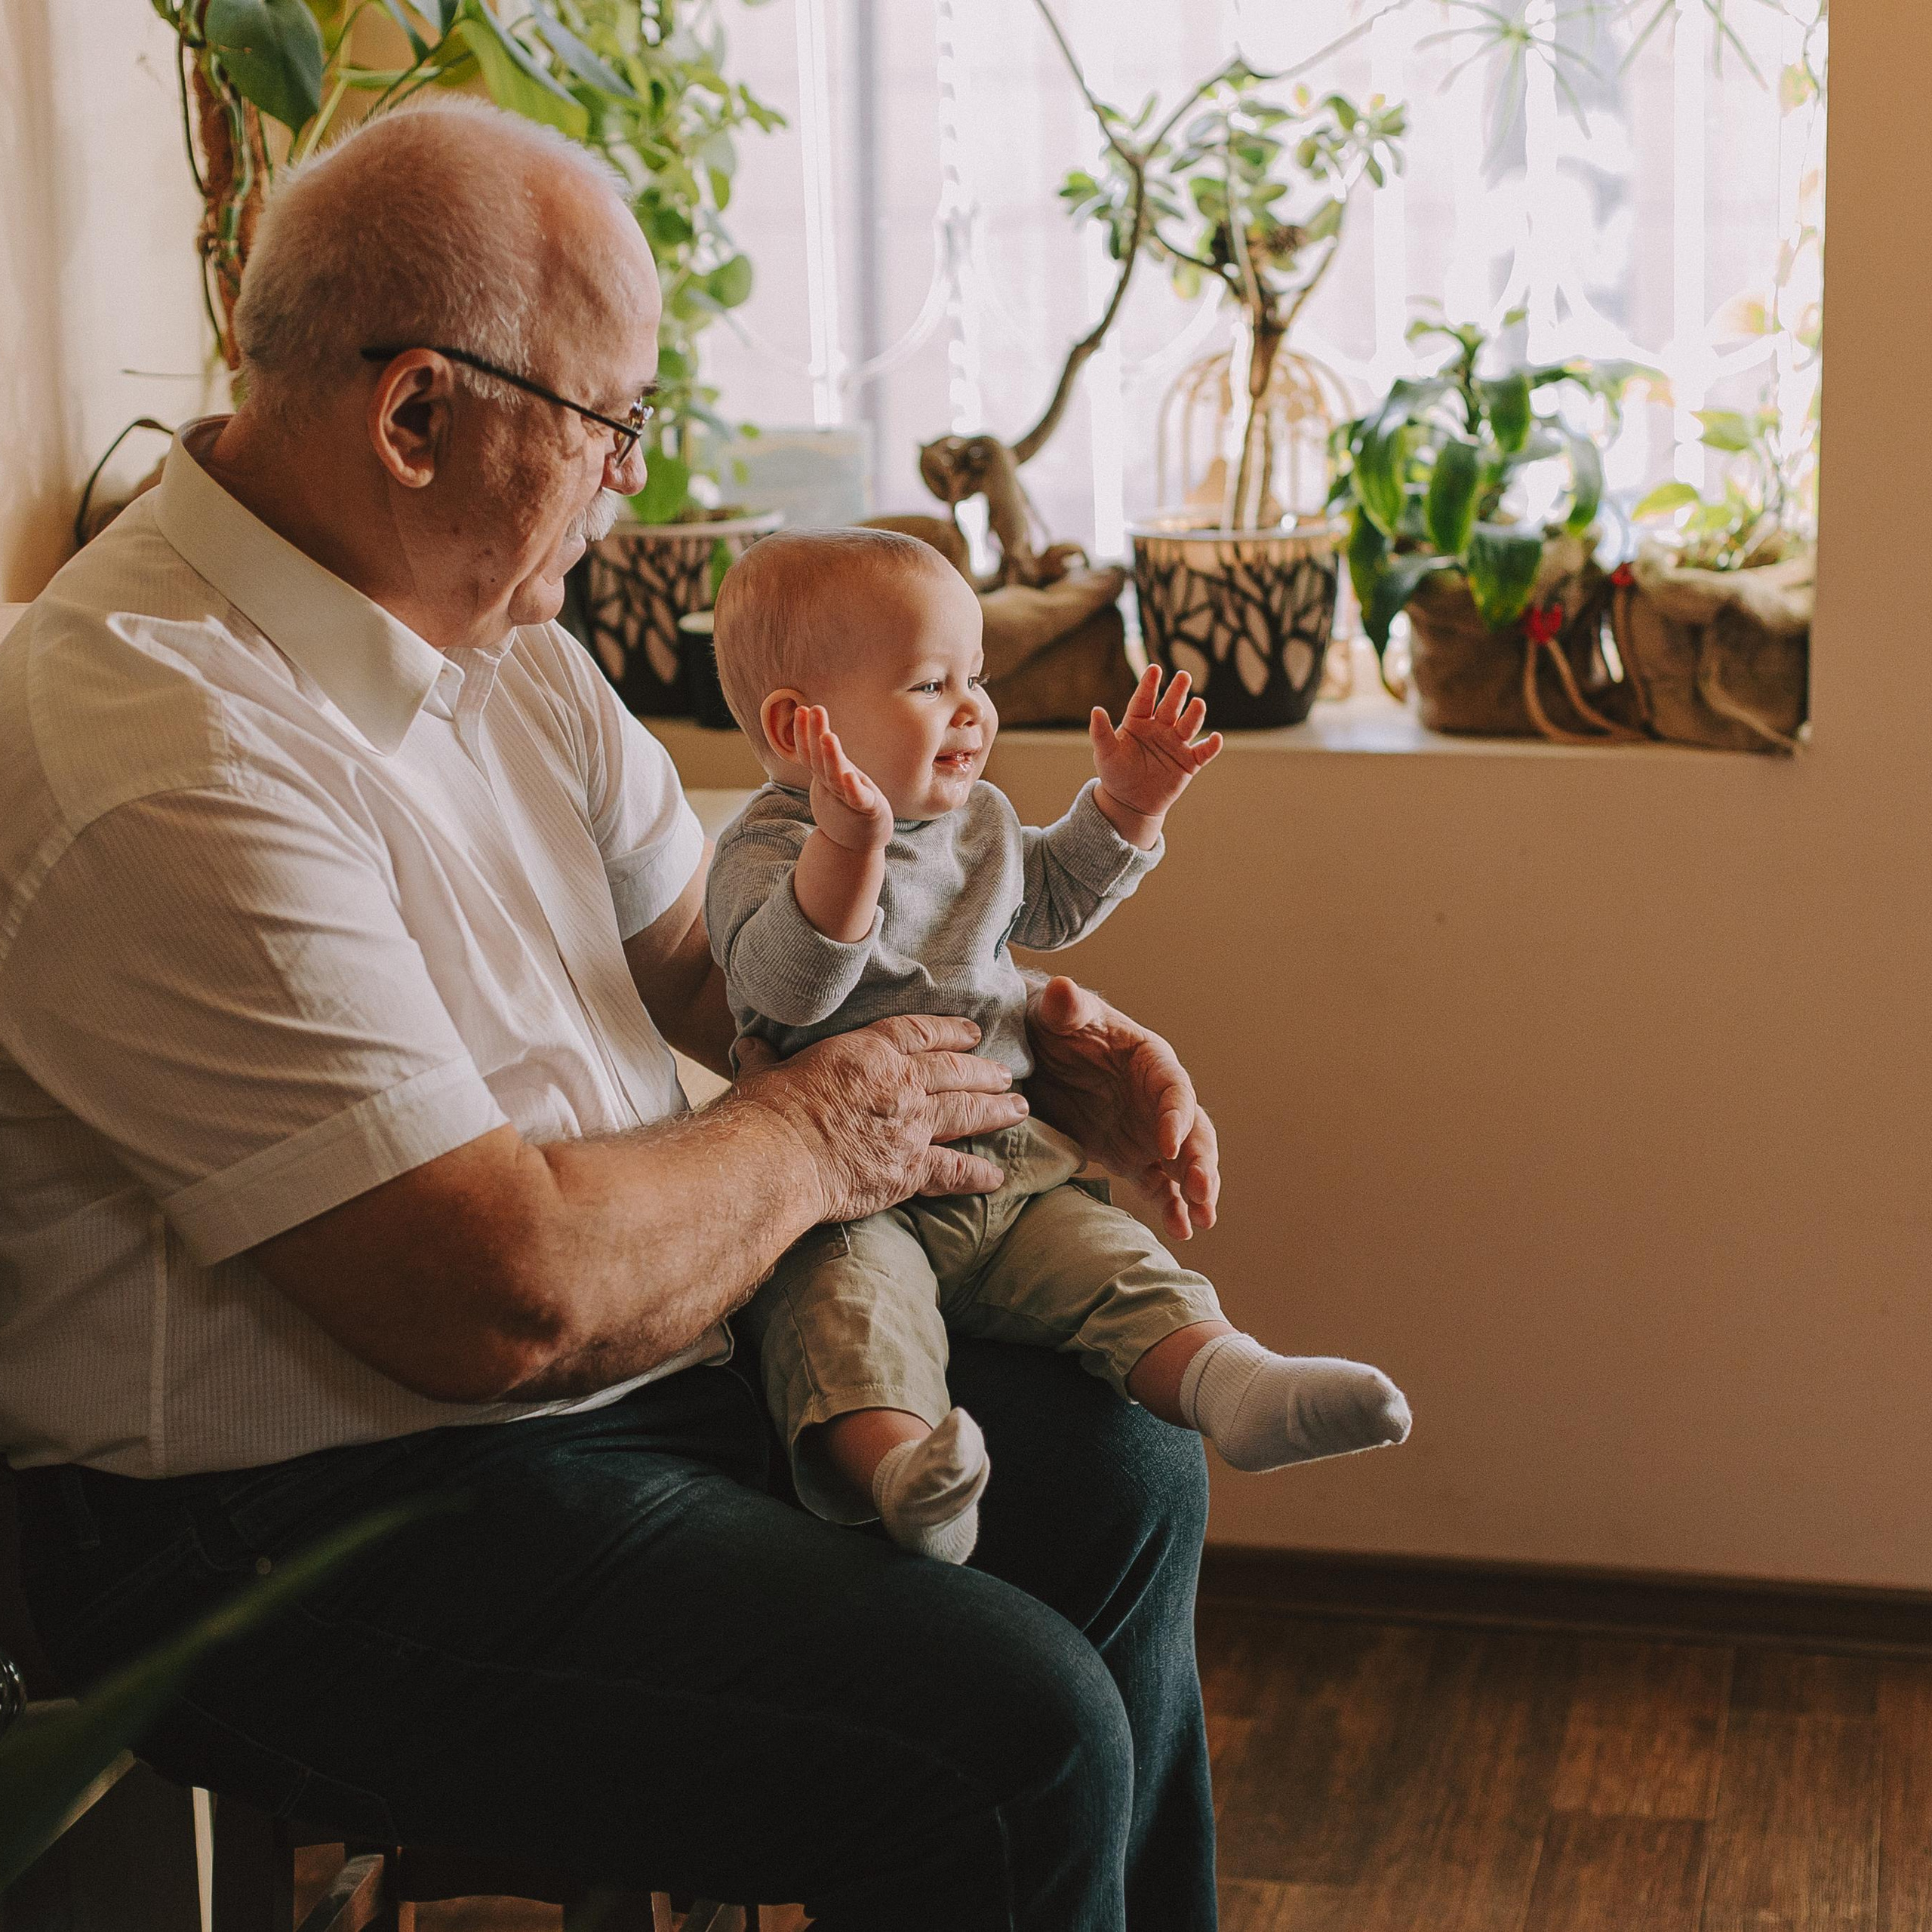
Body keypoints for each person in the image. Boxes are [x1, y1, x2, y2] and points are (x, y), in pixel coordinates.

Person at [0, 98, 1234, 1930]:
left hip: (635, 1371)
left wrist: (1031, 1025)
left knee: (1122, 1465)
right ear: (417, 413)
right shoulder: (157, 744)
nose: (630, 488)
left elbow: (736, 979)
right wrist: (820, 1133)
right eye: (609, 426)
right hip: (301, 1518)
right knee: (1007, 1737)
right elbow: (500, 1294)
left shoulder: (509, 650)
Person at [706, 528, 1413, 1562]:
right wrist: (845, 852)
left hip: (1012, 1172)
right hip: (853, 1203)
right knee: (844, 1325)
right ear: (798, 725)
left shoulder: (977, 824)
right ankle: (909, 1476)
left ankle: (1236, 1384)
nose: (972, 709)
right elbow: (783, 986)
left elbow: (1054, 898)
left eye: (977, 678)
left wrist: (1127, 804)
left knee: (1123, 1267)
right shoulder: (766, 849)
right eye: (930, 683)